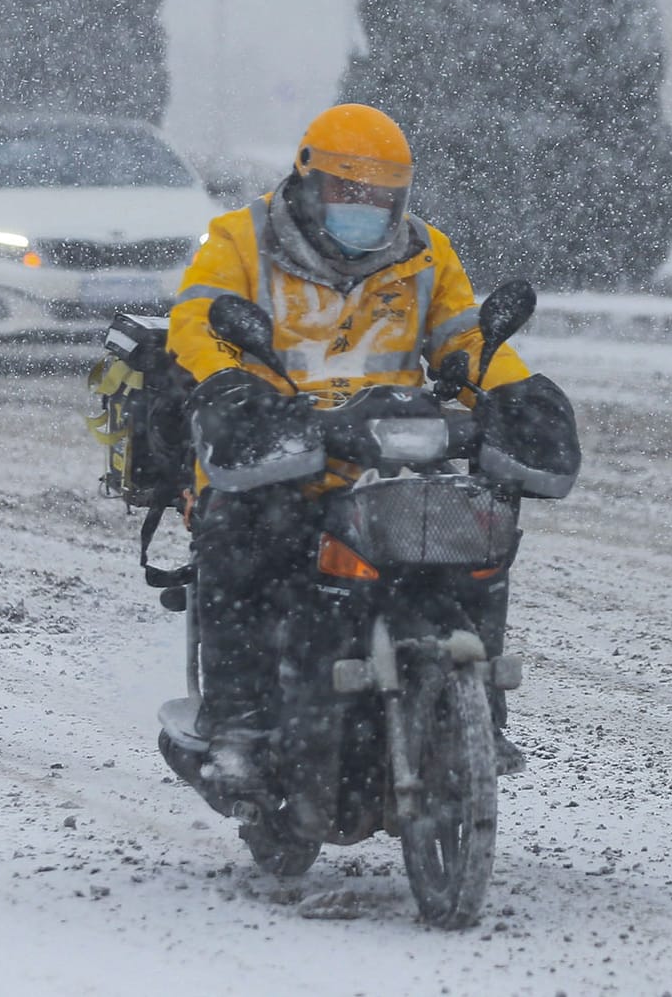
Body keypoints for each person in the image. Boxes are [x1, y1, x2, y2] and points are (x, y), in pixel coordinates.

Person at [166, 102, 574, 787]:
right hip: (276, 452)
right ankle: (235, 723)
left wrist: (510, 391)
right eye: (347, 192)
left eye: (380, 197)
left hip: (391, 455)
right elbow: (196, 323)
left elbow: (464, 339)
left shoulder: (425, 253)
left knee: (481, 535)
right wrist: (235, 389)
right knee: (240, 540)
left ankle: (481, 711)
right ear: (306, 182)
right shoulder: (239, 240)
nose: (365, 208)